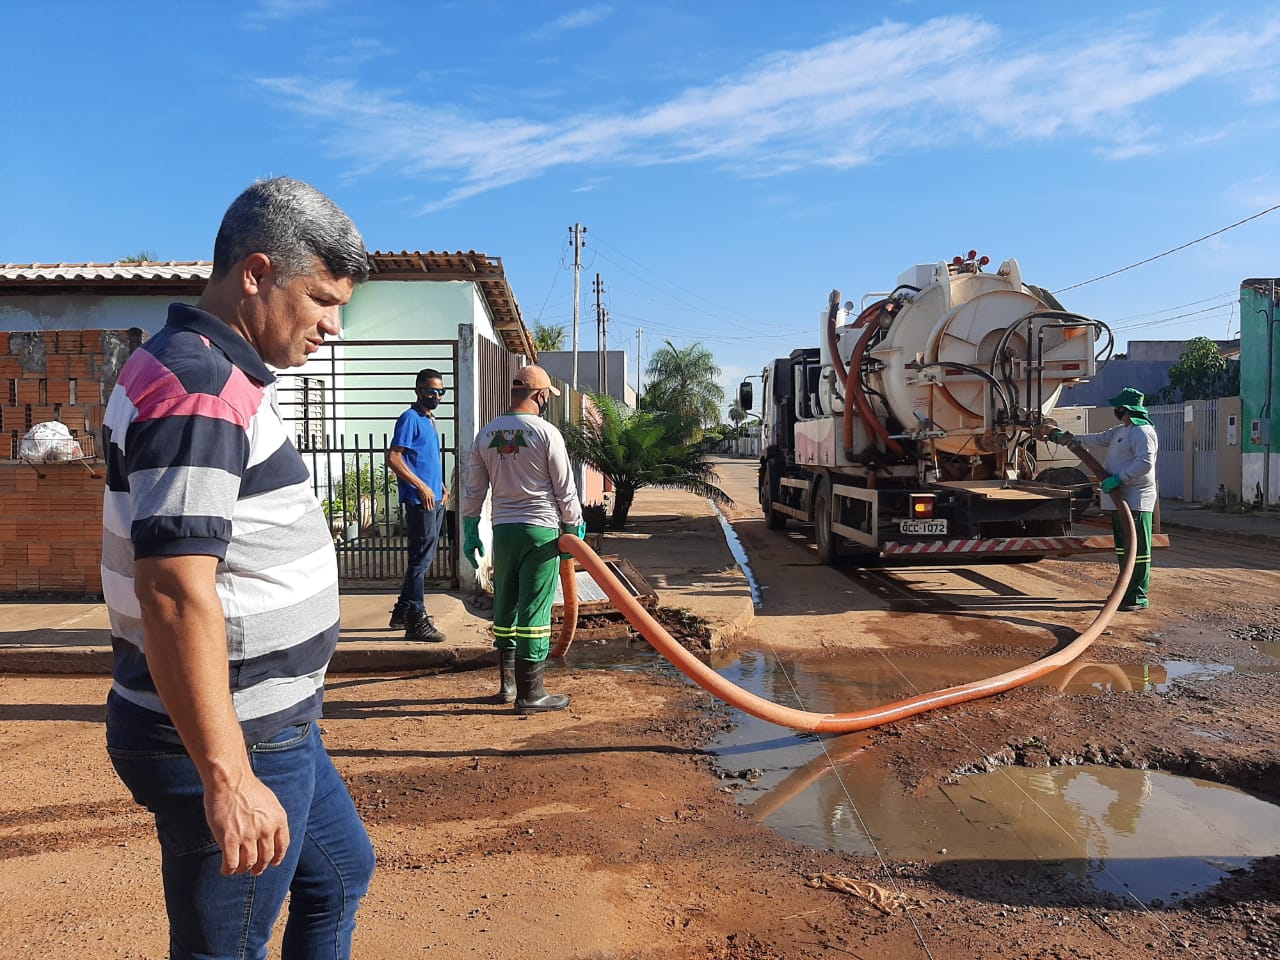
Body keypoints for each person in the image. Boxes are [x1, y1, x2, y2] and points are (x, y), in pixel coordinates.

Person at [100, 177, 376, 959]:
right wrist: (225, 777)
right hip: (235, 735)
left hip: (274, 721)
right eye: (322, 299)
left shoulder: (216, 371)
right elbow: (175, 591)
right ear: (255, 274)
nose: (332, 325)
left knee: (340, 876)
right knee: (224, 948)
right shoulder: (199, 388)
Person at [461, 365, 585, 711]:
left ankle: (507, 688)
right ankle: (532, 694)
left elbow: (473, 490)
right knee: (534, 608)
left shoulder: (487, 434)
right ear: (540, 395)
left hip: (503, 531)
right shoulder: (547, 433)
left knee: (506, 604)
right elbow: (565, 489)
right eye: (547, 397)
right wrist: (574, 529)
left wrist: (470, 528)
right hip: (540, 533)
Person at [1050, 386, 1158, 611]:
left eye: (1119, 407)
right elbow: (1096, 439)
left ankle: (1137, 596)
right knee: (1123, 548)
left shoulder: (1143, 431)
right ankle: (1125, 591)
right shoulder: (1121, 430)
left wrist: (1119, 479)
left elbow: (1145, 464)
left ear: (1126, 409)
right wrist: (1066, 438)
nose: (1116, 410)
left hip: (1135, 498)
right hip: (1119, 497)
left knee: (1137, 550)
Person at [386, 368, 448, 641]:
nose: (436, 396)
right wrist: (422, 486)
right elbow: (394, 458)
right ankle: (416, 618)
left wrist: (440, 486)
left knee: (422, 558)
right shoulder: (409, 418)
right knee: (420, 561)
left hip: (435, 499)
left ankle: (401, 611)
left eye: (440, 392)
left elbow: (425, 460)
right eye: (431, 391)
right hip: (420, 501)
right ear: (418, 391)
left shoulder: (429, 420)